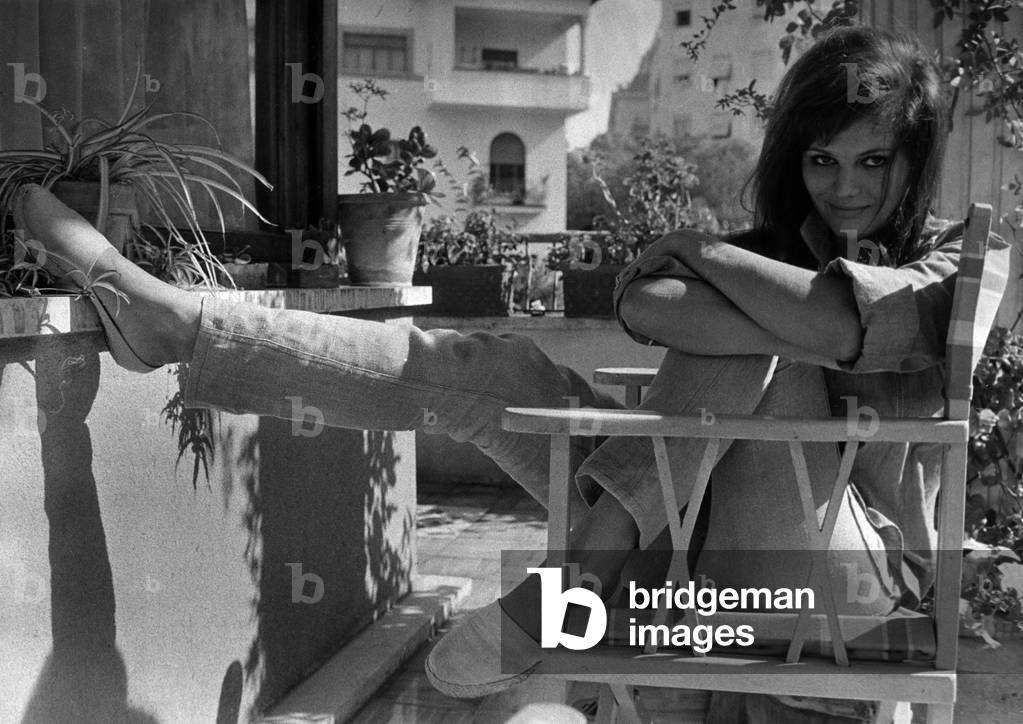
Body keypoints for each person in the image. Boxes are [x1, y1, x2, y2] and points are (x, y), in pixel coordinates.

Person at [13, 25, 1000, 723]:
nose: (848, 187)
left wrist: (702, 252)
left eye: (875, 162)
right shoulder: (786, 246)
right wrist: (740, 282)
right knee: (498, 364)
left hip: (830, 587)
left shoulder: (950, 266)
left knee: (767, 345)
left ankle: (579, 575)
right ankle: (182, 324)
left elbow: (833, 326)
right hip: (682, 547)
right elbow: (641, 302)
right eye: (825, 161)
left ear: (917, 163)